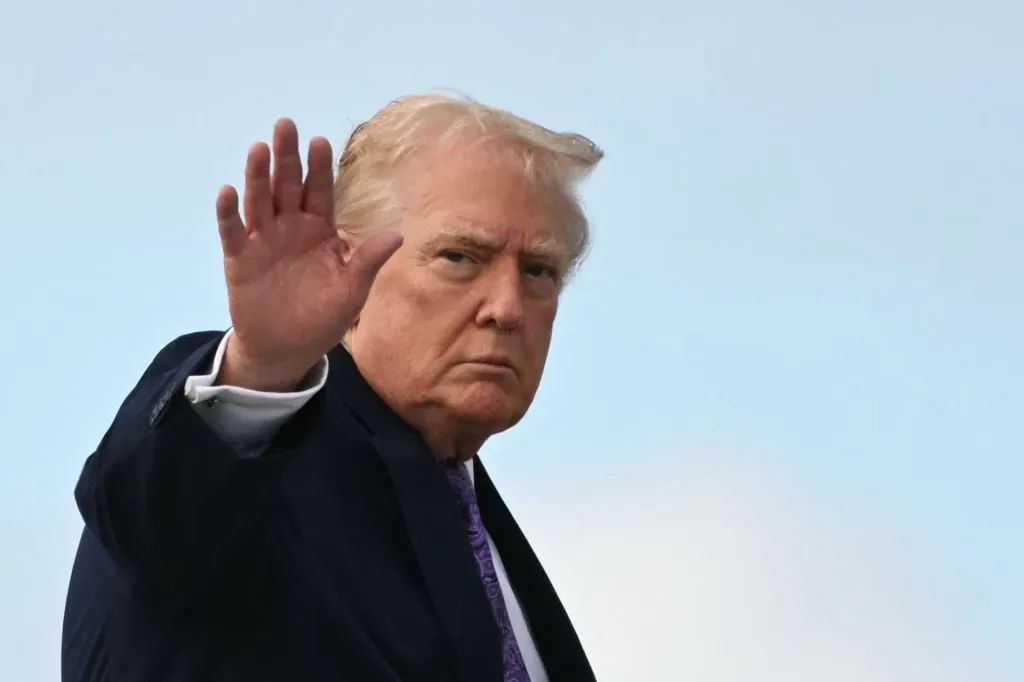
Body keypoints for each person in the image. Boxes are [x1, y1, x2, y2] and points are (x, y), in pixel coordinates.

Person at [62, 94, 603, 682]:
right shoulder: (255, 442)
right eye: (459, 257)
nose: (507, 308)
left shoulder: (473, 517)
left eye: (538, 271)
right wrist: (261, 367)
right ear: (345, 262)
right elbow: (152, 530)